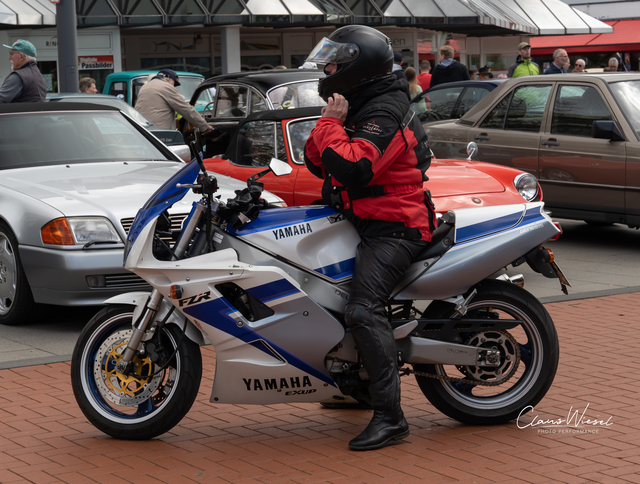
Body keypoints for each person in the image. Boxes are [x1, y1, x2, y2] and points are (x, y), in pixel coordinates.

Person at [303, 25, 437, 452]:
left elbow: (354, 167)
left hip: (396, 225)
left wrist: (329, 127)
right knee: (322, 293)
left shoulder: (386, 110)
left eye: (335, 62)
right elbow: (316, 160)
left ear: (356, 66)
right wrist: (329, 126)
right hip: (361, 219)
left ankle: (391, 417)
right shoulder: (357, 103)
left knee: (362, 309)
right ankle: (355, 384)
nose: (327, 68)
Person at [135, 68, 211, 134]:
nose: (173, 86)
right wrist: (205, 126)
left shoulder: (145, 87)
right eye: (174, 83)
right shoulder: (166, 86)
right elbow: (186, 109)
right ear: (167, 78)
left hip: (143, 130)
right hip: (160, 133)